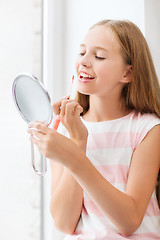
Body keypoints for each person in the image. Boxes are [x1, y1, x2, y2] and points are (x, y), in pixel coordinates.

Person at [27, 20, 160, 239]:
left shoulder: (147, 129)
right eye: (81, 52)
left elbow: (129, 221)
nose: (84, 62)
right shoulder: (64, 130)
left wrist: (74, 157)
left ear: (127, 74)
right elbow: (63, 223)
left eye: (99, 57)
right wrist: (77, 142)